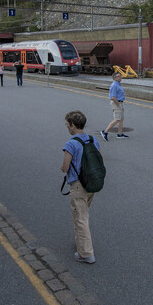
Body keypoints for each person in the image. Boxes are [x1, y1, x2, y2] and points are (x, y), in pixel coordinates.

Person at [61, 110, 98, 264]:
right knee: (83, 214)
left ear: (74, 126)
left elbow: (65, 166)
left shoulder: (71, 143)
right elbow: (99, 159)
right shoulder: (92, 139)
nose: (67, 128)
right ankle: (80, 242)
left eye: (68, 125)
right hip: (91, 183)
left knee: (80, 218)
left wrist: (64, 168)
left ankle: (86, 254)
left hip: (78, 185)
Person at [101, 73, 128, 140]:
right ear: (114, 78)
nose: (120, 77)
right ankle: (105, 132)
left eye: (120, 76)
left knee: (121, 119)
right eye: (118, 76)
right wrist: (118, 104)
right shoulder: (114, 85)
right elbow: (113, 97)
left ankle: (120, 134)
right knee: (117, 119)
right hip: (116, 103)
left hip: (119, 103)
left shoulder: (117, 84)